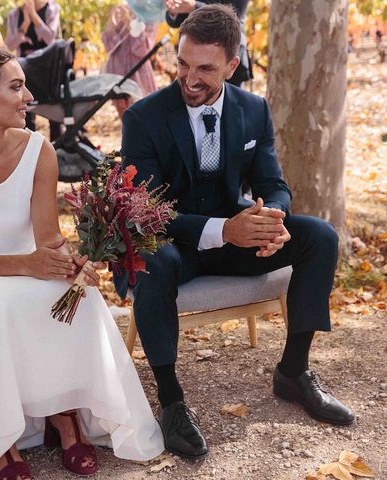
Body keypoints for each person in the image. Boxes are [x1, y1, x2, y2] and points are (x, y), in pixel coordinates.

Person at [0, 40, 163, 480]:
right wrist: (28, 265)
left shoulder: (37, 149)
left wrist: (73, 262)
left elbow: (46, 238)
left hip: (26, 265)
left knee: (77, 294)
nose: (29, 98)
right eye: (17, 88)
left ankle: (63, 416)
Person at [118, 5, 355, 459]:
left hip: (237, 237)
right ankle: (171, 402)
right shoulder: (144, 117)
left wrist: (274, 218)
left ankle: (293, 372)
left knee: (320, 236)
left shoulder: (253, 109)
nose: (189, 77)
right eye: (183, 63)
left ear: (232, 64)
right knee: (151, 257)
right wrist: (224, 229)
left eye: (205, 68)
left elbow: (272, 184)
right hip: (175, 243)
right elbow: (145, 210)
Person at [5, 0, 62, 140]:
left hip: (48, 67)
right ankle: (28, 146)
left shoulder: (52, 9)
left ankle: (58, 148)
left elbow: (50, 38)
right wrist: (25, 23)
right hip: (24, 68)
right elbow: (10, 44)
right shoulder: (14, 14)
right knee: (26, 110)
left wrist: (33, 16)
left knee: (54, 111)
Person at [165, 0, 252, 86]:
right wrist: (174, 10)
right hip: (193, 51)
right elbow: (177, 20)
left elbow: (234, 15)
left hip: (227, 47)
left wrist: (194, 6)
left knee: (230, 97)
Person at [102, 4, 157, 119]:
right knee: (123, 111)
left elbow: (141, 50)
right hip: (117, 69)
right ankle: (128, 135)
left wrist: (133, 25)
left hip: (137, 70)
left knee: (142, 109)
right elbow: (110, 47)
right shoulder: (119, 10)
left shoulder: (147, 16)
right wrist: (113, 24)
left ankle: (141, 136)